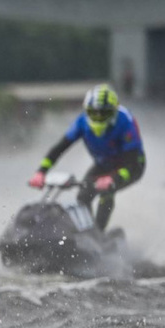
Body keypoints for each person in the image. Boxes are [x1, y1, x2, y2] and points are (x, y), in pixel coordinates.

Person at [28, 84, 145, 232]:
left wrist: (114, 179)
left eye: (103, 113)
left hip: (131, 165)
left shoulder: (126, 122)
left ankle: (98, 234)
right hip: (104, 164)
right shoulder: (82, 122)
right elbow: (60, 148)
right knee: (83, 196)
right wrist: (41, 172)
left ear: (113, 111)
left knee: (106, 191)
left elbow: (133, 163)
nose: (98, 117)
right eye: (93, 113)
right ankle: (87, 231)